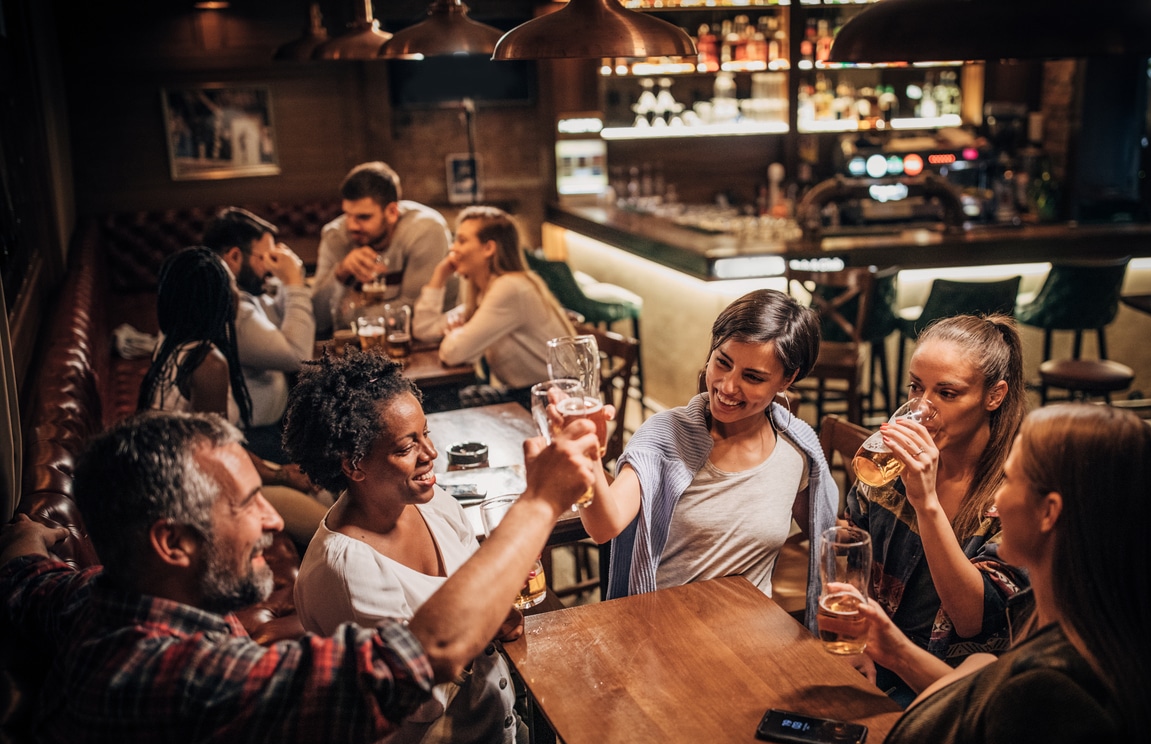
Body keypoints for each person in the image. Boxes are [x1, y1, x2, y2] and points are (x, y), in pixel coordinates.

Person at [0, 410, 601, 744]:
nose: (269, 521)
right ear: (172, 543)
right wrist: (541, 501)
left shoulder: (90, 597)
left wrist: (27, 531)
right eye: (244, 504)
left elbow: (20, 574)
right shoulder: (173, 680)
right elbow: (421, 655)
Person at [853, 404, 1151, 744]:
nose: (995, 505)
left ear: (1048, 511)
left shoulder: (1050, 691)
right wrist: (899, 652)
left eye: (1009, 481)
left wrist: (980, 672)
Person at [283, 349, 531, 744]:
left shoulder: (434, 504)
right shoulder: (345, 570)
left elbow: (479, 589)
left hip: (496, 740)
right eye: (406, 447)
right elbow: (418, 701)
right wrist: (489, 619)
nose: (431, 454)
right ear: (353, 465)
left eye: (426, 434)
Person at [578, 288, 839, 632]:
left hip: (754, 640)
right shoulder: (666, 436)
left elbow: (829, 535)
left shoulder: (797, 450)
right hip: (665, 633)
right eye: (723, 362)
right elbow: (603, 526)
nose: (728, 387)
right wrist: (588, 455)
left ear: (787, 379)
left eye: (753, 377)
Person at [846, 313, 1028, 705]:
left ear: (993, 396)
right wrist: (857, 637)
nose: (922, 409)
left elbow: (971, 620)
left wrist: (926, 502)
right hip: (875, 664)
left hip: (959, 691)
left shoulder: (1015, 495)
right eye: (916, 388)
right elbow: (852, 549)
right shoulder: (890, 467)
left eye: (947, 394)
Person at [136, 246, 327, 546]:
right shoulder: (207, 362)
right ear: (214, 300)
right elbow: (218, 454)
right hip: (193, 490)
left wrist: (279, 471)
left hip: (179, 476)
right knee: (329, 526)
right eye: (232, 286)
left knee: (323, 486)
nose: (238, 294)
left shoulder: (171, 344)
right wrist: (282, 476)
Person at [411, 205, 577, 410]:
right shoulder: (485, 291)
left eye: (461, 240)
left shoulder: (510, 288)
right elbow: (423, 329)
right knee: (436, 400)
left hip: (551, 399)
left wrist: (456, 335)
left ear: (488, 248)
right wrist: (440, 275)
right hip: (528, 394)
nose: (453, 248)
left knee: (437, 402)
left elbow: (453, 353)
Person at [202, 206, 315, 464]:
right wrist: (294, 283)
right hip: (252, 440)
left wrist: (287, 282)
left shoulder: (244, 297)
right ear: (233, 257)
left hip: (273, 425)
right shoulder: (231, 311)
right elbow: (298, 355)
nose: (269, 267)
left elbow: (283, 321)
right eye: (265, 257)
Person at [311, 161, 455, 335]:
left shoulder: (424, 231)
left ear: (392, 212)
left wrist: (348, 314)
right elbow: (317, 319)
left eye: (363, 217)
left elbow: (413, 311)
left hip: (429, 341)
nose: (351, 226)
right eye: (347, 214)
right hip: (361, 345)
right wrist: (340, 274)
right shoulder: (336, 236)